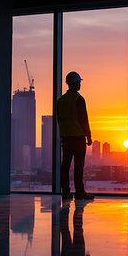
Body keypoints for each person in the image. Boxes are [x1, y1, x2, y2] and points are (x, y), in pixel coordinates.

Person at [57, 71, 94, 200]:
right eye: (79, 82)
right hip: (78, 137)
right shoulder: (79, 99)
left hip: (66, 137)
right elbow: (84, 119)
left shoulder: (61, 100)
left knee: (65, 165)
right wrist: (88, 136)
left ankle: (65, 191)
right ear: (76, 83)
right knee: (78, 166)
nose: (79, 85)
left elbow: (59, 119)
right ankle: (79, 192)